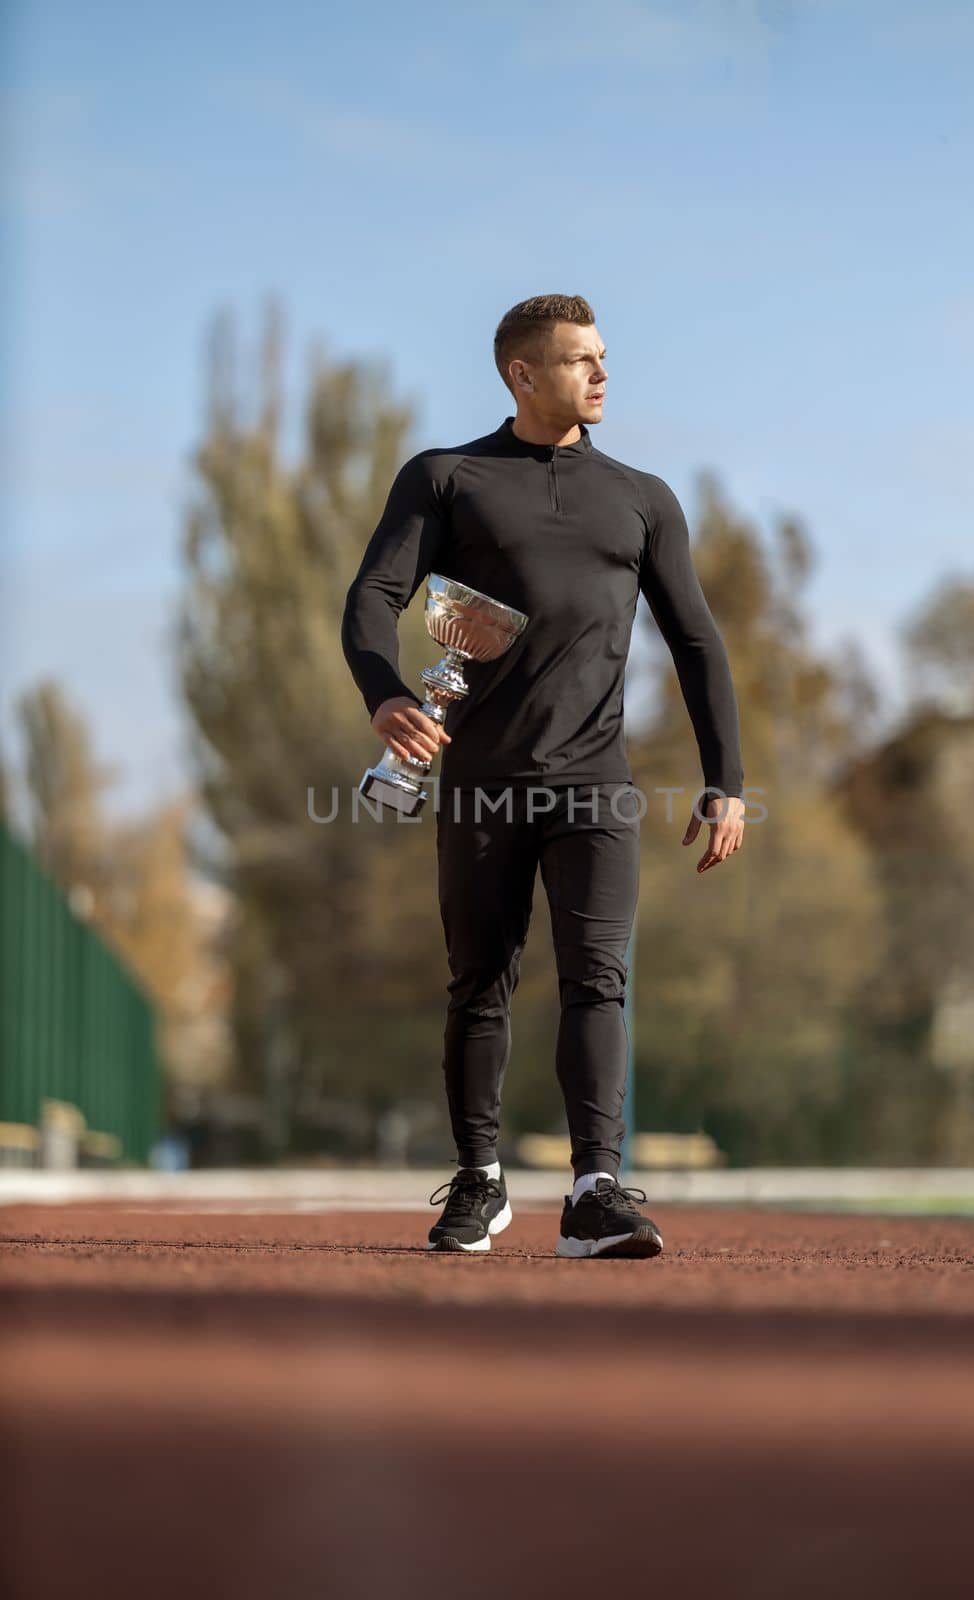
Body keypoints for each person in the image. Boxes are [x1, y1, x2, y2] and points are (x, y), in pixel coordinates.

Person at [341, 293, 745, 1258]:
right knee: (478, 981)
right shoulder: (448, 478)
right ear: (522, 374)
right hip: (480, 779)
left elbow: (695, 641)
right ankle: (479, 1182)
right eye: (579, 360)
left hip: (597, 784)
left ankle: (594, 1192)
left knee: (597, 980)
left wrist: (724, 776)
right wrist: (384, 693)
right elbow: (374, 596)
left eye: (603, 357)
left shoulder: (643, 498)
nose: (601, 373)